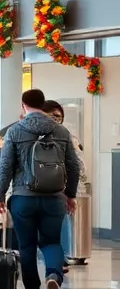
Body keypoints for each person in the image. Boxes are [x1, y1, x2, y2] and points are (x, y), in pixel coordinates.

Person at [0, 89, 80, 289]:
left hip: (23, 198)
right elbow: (74, 166)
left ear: (24, 105)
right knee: (52, 242)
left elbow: (5, 168)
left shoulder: (15, 131)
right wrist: (70, 194)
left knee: (27, 247)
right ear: (43, 105)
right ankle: (53, 276)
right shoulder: (61, 131)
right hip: (54, 199)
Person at [43, 100, 85, 269]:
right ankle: (54, 267)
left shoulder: (28, 133)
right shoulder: (66, 135)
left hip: (36, 191)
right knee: (54, 230)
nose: (54, 119)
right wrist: (72, 192)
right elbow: (80, 166)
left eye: (57, 116)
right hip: (56, 189)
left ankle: (51, 265)